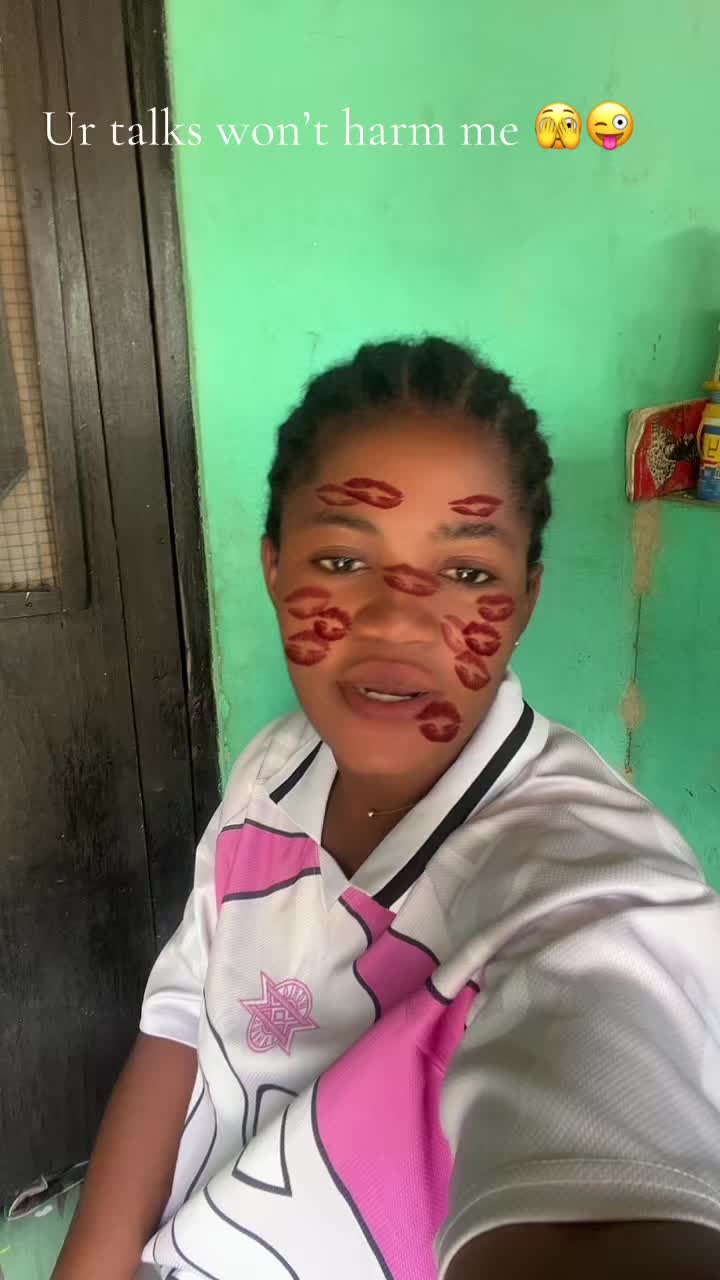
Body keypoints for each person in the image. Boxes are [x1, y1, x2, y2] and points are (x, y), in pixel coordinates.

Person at [53, 337, 720, 1280]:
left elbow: (606, 1112)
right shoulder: (271, 771)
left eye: (469, 574)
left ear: (527, 597)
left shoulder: (584, 887)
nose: (398, 621)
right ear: (274, 569)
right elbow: (180, 1023)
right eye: (340, 558)